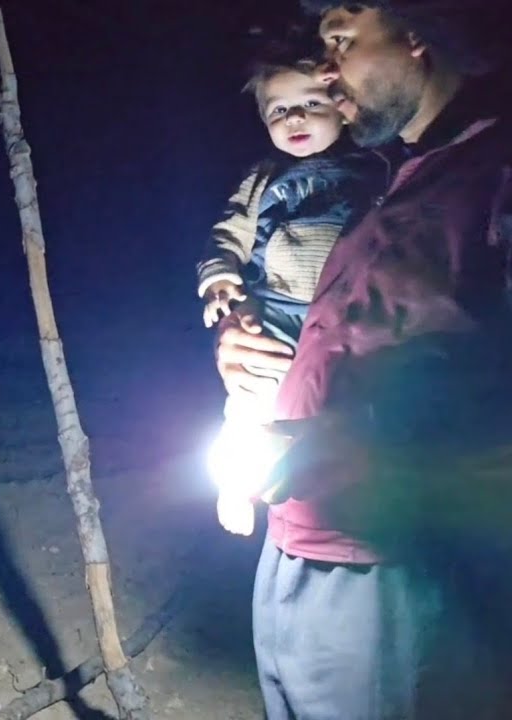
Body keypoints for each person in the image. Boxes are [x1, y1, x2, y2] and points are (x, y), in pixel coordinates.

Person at [212, 1, 512, 717]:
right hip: (296, 540)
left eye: (342, 40)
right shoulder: (391, 180)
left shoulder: (491, 178)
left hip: (394, 564)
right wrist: (249, 352)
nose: (324, 66)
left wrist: (357, 433)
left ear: (416, 35)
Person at [198, 46, 380, 535]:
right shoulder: (262, 179)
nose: (295, 117)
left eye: (313, 104)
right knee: (252, 396)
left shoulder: (372, 168)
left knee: (323, 403)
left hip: (343, 312)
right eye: (279, 110)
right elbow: (228, 233)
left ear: (344, 108)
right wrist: (218, 278)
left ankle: (318, 485)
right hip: (277, 308)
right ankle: (238, 482)